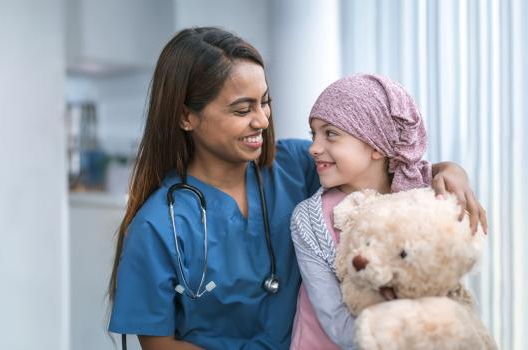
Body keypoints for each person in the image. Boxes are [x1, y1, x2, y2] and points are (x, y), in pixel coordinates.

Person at [107, 27, 487, 350]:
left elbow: (375, 166)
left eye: (265, 103)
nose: (261, 120)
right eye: (242, 109)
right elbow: (158, 345)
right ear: (186, 116)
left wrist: (448, 169)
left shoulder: (293, 165)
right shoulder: (157, 226)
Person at [289, 74, 488, 349]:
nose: (313, 147)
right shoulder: (310, 219)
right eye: (314, 134)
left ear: (376, 145)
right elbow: (334, 319)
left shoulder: (420, 200)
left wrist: (454, 169)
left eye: (330, 134)